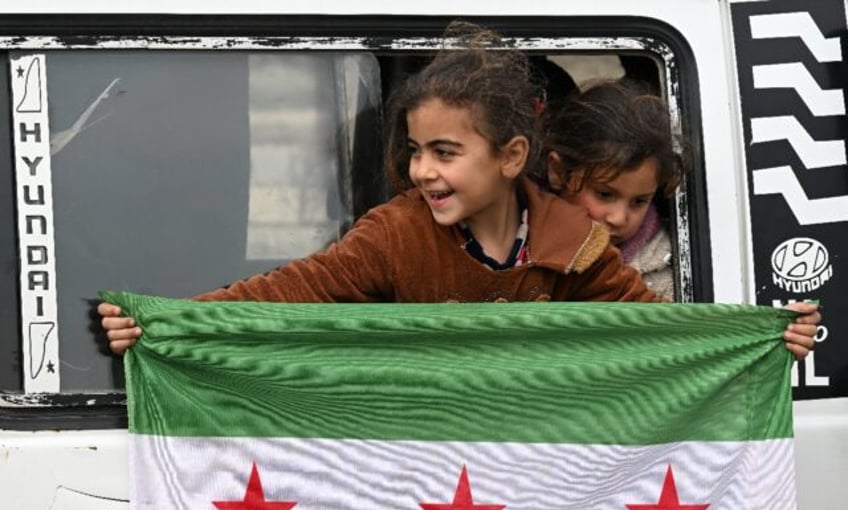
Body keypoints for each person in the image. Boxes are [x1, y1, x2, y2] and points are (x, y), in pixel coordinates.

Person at [99, 23, 820, 359]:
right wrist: (169, 321)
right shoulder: (394, 234)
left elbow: (658, 330)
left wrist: (761, 336)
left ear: (512, 156)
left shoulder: (576, 244)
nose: (421, 172)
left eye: (445, 152)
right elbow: (289, 291)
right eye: (415, 152)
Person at [542, 79, 684, 301]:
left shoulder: (664, 269)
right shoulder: (520, 248)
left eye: (639, 201)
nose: (619, 219)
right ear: (558, 172)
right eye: (604, 194)